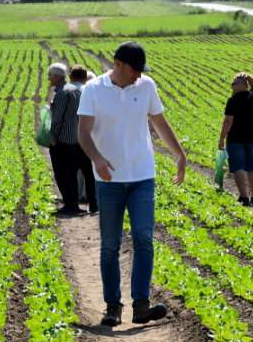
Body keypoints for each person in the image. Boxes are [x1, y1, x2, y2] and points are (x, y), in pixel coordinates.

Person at [78, 41, 187, 327]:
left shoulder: (146, 86)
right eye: (134, 69)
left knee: (143, 238)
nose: (138, 75)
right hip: (109, 180)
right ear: (118, 64)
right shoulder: (93, 90)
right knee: (110, 245)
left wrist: (180, 155)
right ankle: (113, 306)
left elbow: (160, 122)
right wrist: (97, 159)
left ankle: (141, 305)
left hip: (142, 175)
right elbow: (84, 134)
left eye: (141, 70)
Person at [48, 63, 97, 216]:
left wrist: (52, 138)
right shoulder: (88, 91)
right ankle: (94, 205)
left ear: (70, 76)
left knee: (67, 174)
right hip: (87, 139)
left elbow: (57, 119)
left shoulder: (65, 92)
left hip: (67, 140)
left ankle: (71, 205)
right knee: (89, 174)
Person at [218, 72, 253, 206]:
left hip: (236, 139)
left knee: (239, 167)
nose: (232, 87)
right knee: (252, 168)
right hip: (252, 138)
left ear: (242, 85)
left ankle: (244, 197)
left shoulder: (233, 100)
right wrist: (248, 76)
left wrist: (221, 139)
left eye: (234, 84)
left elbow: (228, 121)